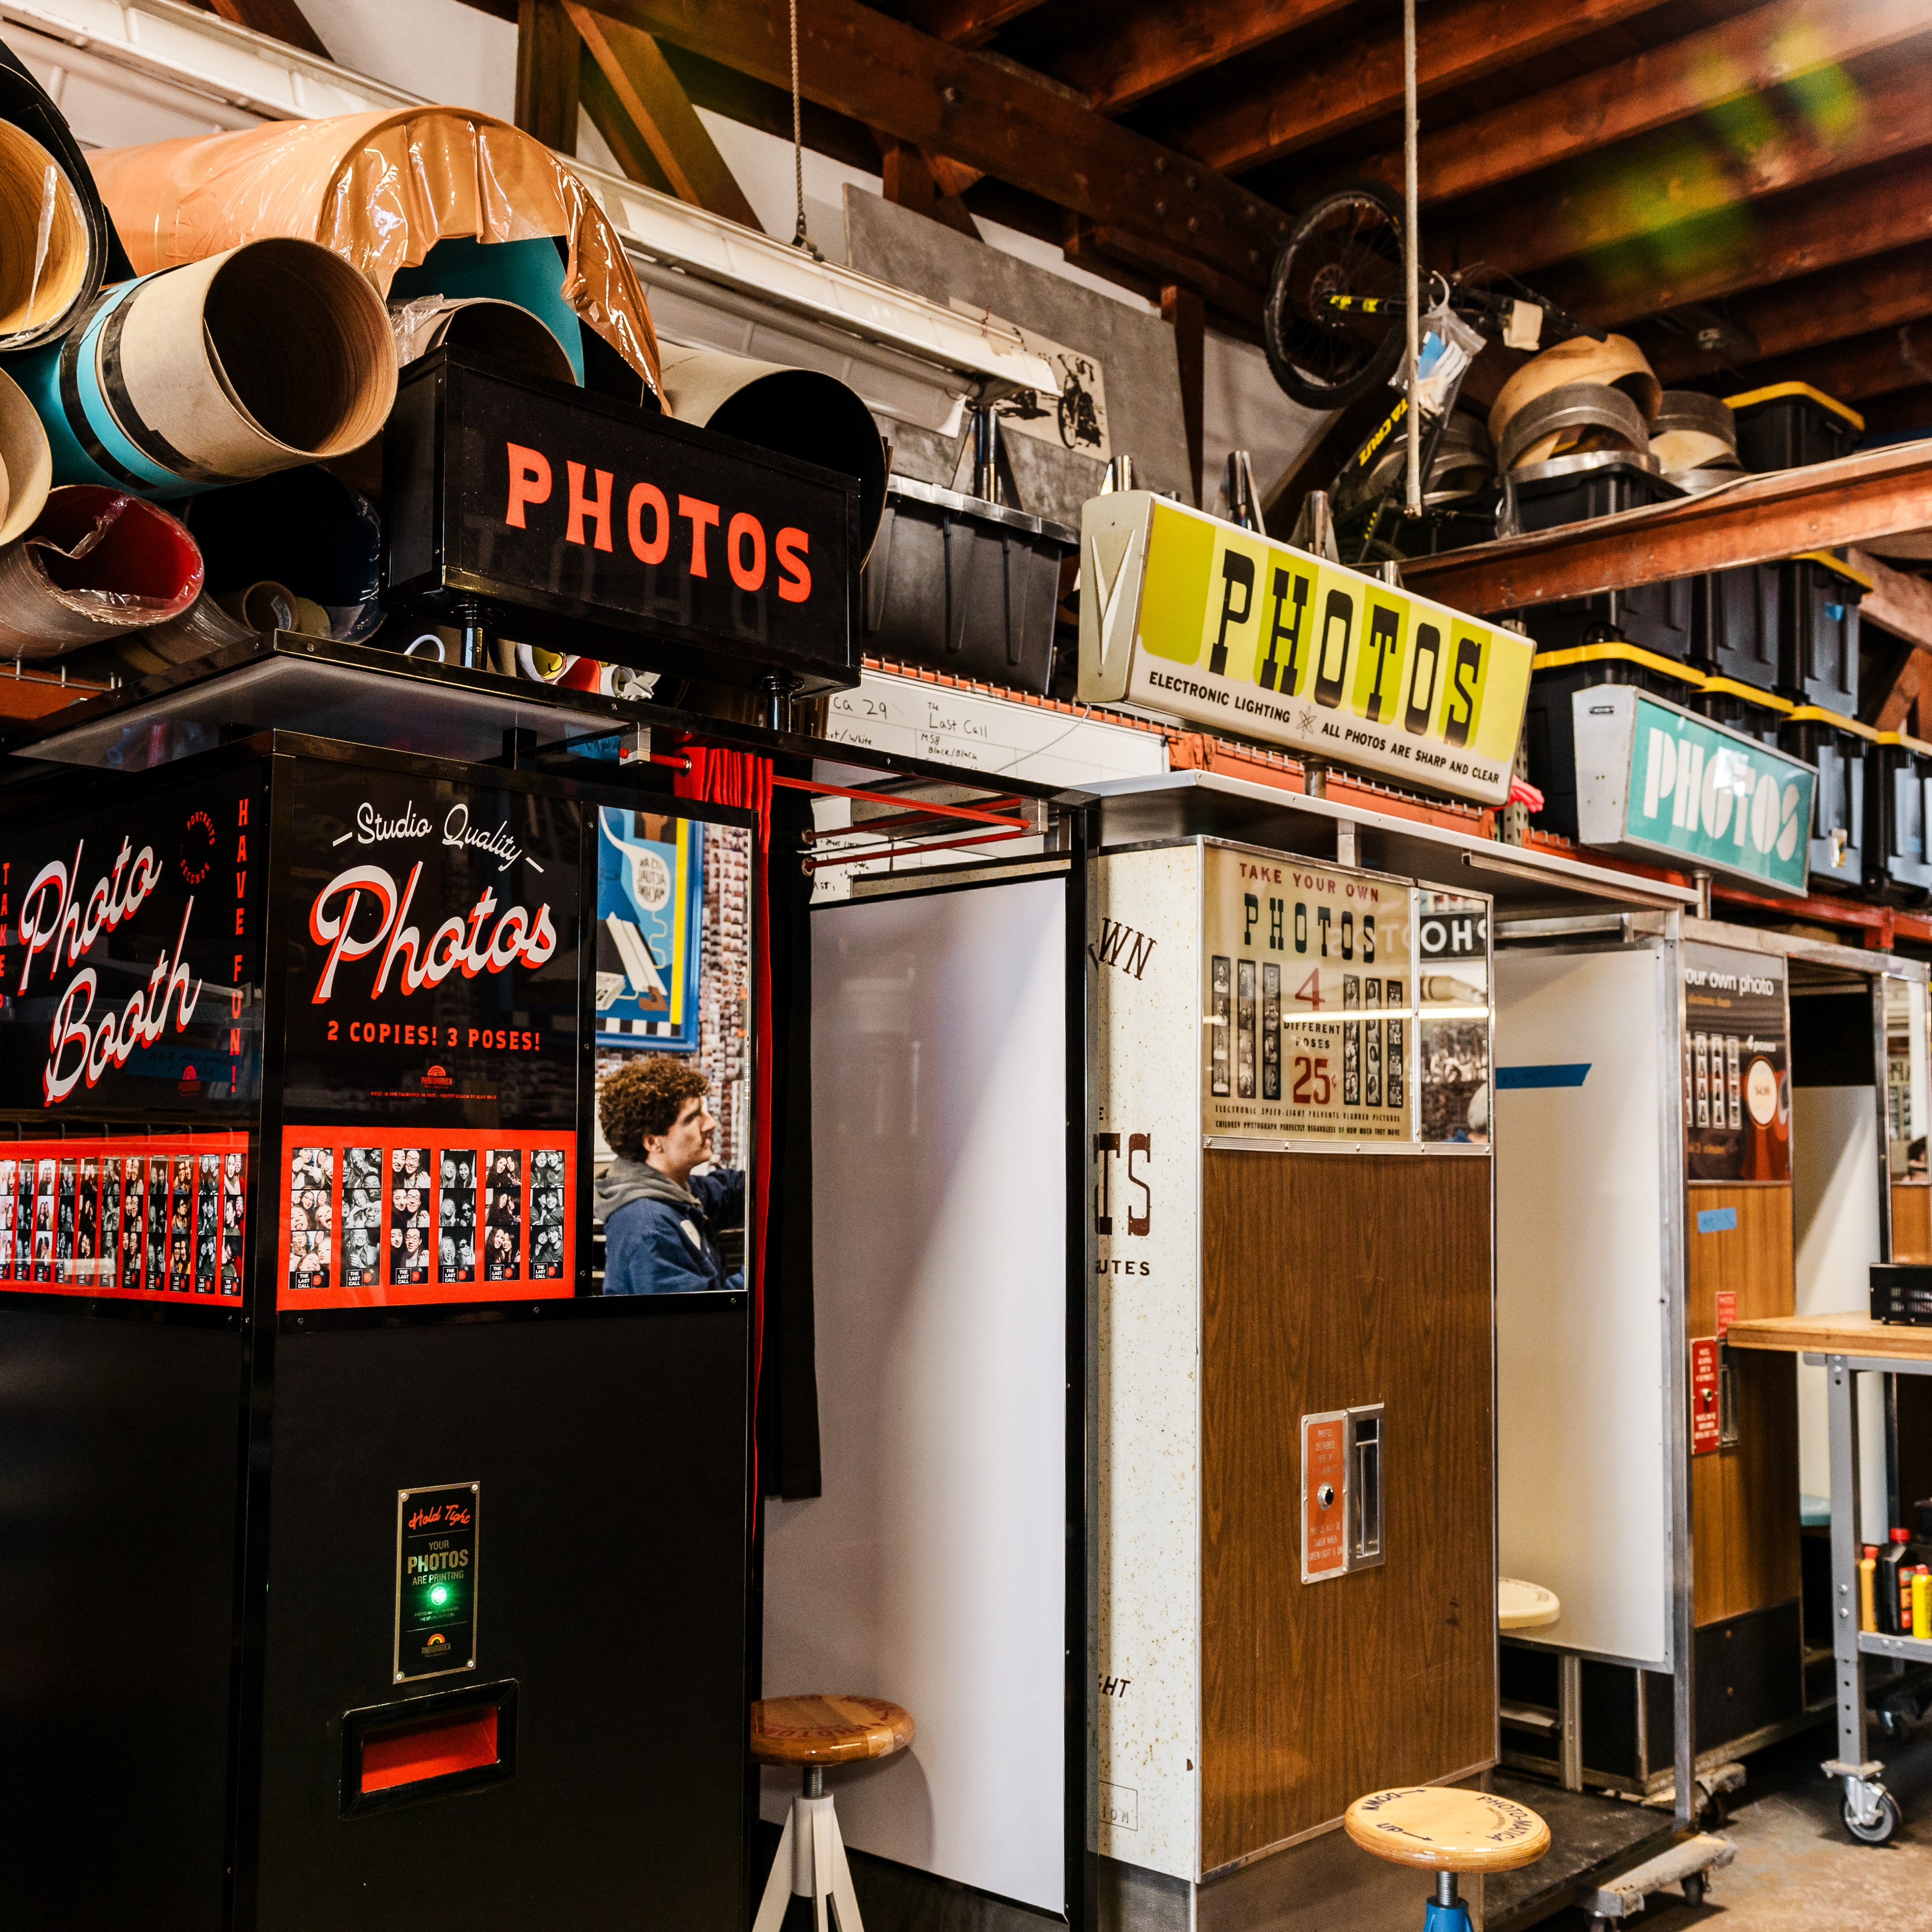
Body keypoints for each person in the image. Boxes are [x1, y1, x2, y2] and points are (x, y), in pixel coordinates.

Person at [595, 1055, 743, 1295]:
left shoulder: (671, 1190)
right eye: (693, 1118)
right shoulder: (649, 1227)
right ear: (654, 1142)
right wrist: (761, 1271)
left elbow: (725, 1191)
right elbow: (699, 1323)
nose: (711, 1123)